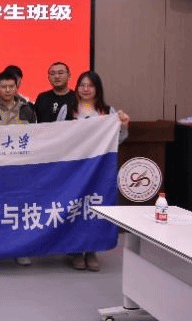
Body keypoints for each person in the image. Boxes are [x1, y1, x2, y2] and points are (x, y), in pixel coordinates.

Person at [68, 71, 130, 272]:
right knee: (75, 207)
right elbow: (58, 137)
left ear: (97, 88)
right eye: (82, 85)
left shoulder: (108, 111)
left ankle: (91, 249)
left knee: (93, 207)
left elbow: (117, 140)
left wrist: (124, 126)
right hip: (73, 168)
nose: (85, 89)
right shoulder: (67, 109)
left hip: (98, 169)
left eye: (90, 85)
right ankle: (76, 250)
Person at [0, 70, 36, 266]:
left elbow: (36, 136)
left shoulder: (28, 109)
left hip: (20, 169)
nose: (7, 90)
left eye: (11, 86)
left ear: (16, 87)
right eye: (3, 86)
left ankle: (20, 250)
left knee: (19, 209)